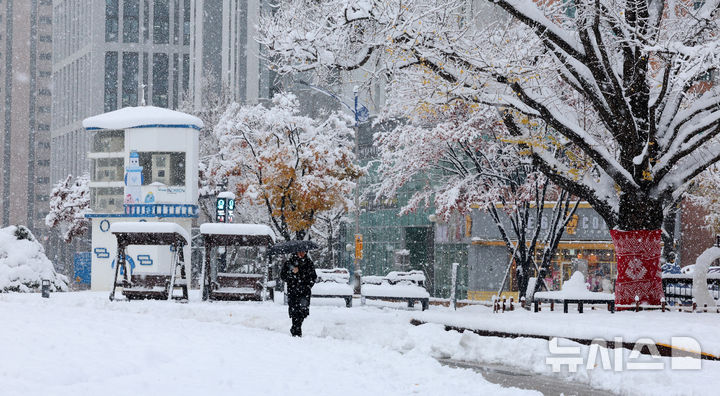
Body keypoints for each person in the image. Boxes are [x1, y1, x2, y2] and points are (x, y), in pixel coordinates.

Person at [280, 250, 317, 337]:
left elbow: (313, 277)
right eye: (300, 252)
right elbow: (283, 276)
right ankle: (296, 329)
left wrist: (308, 285)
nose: (302, 254)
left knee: (303, 311)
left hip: (305, 292)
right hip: (293, 291)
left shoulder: (309, 263)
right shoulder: (289, 263)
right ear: (296, 252)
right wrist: (292, 273)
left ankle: (296, 327)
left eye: (304, 252)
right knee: (295, 310)